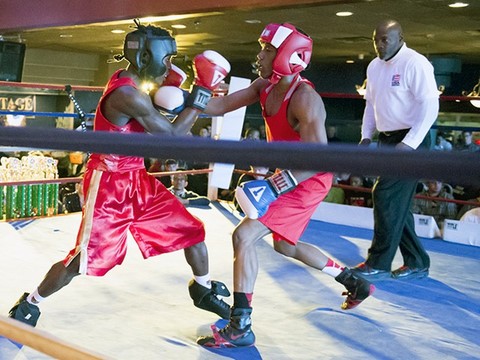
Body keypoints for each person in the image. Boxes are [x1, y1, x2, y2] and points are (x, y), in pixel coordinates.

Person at [8, 20, 232, 328]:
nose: (169, 67)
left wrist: (252, 91)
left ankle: (203, 289)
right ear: (146, 58)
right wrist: (202, 91)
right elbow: (171, 140)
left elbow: (164, 123)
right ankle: (30, 304)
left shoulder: (135, 85)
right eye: (166, 60)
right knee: (82, 260)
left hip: (136, 178)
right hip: (109, 184)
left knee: (191, 230)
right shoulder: (129, 94)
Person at [196, 22, 374, 348]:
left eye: (268, 49)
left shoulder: (306, 99)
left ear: (288, 56)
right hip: (289, 175)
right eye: (262, 47)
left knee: (244, 235)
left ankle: (240, 324)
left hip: (309, 179)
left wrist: (277, 185)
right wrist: (194, 93)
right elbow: (217, 106)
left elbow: (318, 159)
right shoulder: (264, 86)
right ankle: (354, 282)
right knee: (284, 245)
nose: (260, 55)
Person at [351, 19, 439, 281]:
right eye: (375, 39)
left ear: (400, 37)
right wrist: (366, 136)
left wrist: (409, 143)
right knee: (396, 204)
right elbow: (370, 105)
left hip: (412, 140)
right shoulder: (374, 66)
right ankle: (417, 261)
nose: (379, 44)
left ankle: (378, 261)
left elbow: (430, 107)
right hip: (388, 140)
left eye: (385, 39)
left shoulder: (416, 63)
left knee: (385, 195)